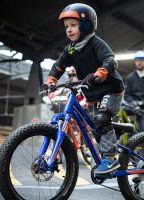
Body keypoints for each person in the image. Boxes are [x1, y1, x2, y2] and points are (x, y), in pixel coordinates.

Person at [41, 3, 124, 174]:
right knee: (94, 126)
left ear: (86, 25)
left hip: (111, 89)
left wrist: (99, 74)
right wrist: (51, 81)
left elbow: (110, 61)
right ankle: (104, 153)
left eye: (73, 25)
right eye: (66, 27)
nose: (69, 30)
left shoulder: (95, 43)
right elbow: (59, 65)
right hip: (93, 92)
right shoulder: (71, 48)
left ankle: (109, 158)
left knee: (101, 118)